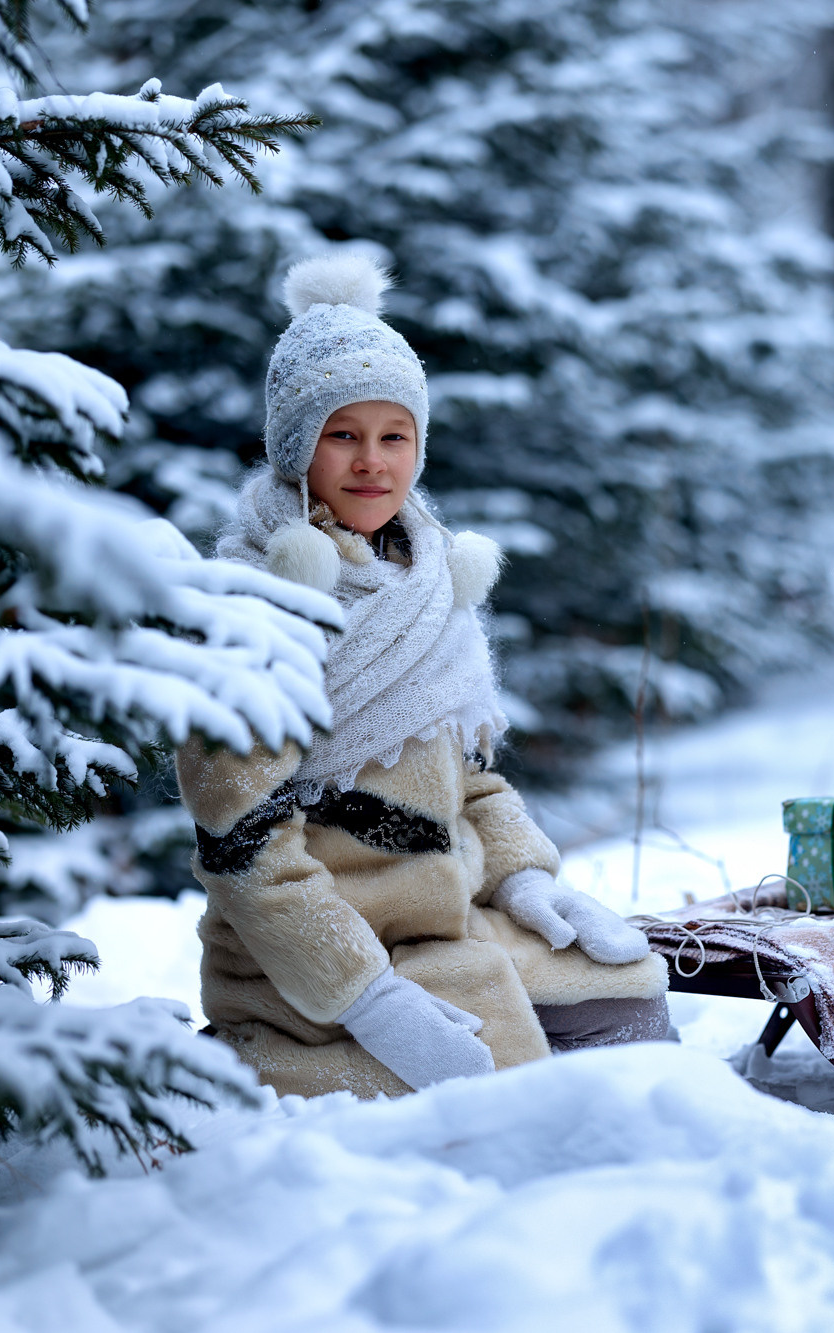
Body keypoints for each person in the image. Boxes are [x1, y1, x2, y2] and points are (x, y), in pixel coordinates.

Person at [175, 250, 671, 1099]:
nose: (373, 462)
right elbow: (245, 855)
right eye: (343, 435)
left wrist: (525, 878)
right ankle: (251, 1064)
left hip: (444, 925)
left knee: (635, 1009)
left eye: (393, 436)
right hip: (315, 973)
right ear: (296, 448)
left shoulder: (427, 585)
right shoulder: (255, 615)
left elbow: (467, 782)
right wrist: (366, 998)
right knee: (509, 1099)